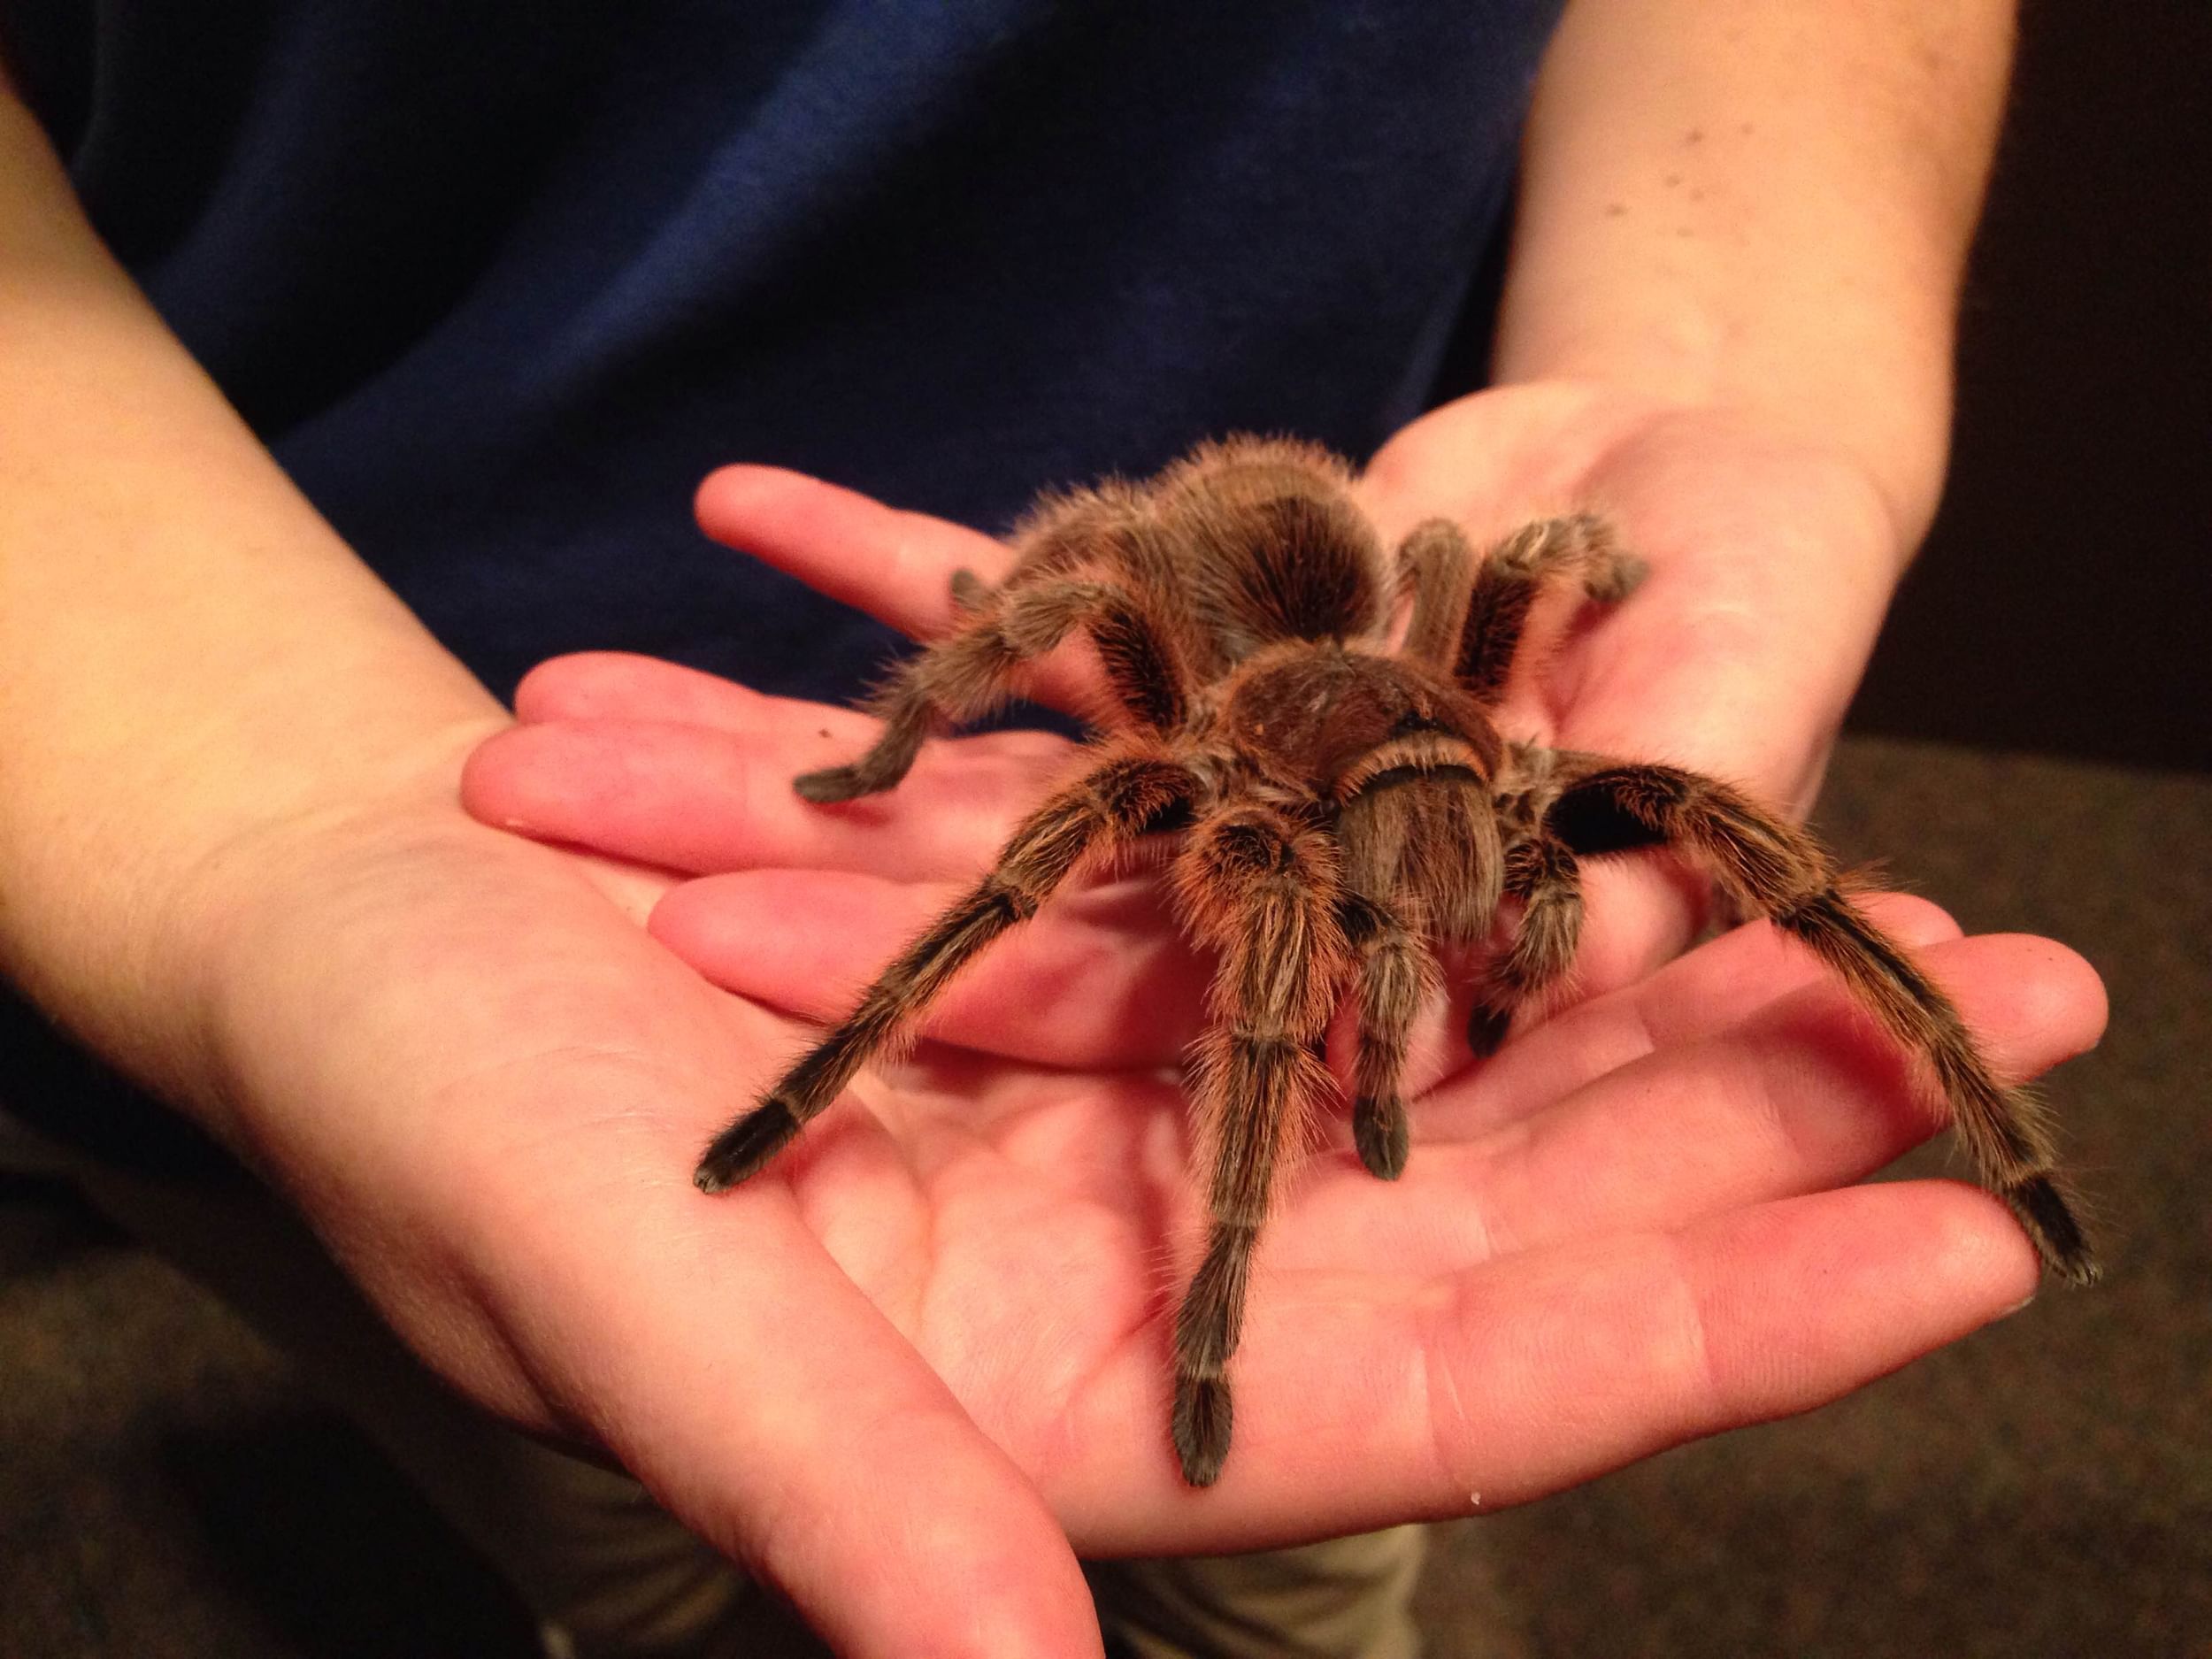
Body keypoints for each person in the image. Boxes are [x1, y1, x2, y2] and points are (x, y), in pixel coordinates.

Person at [0, 3, 2099, 1655]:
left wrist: (1729, 375)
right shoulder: (1183, 746)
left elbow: (1545, 555)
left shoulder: (1480, 701)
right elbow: (1077, 613)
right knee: (648, 1503)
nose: (1481, 894)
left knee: (1716, 872)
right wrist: (885, 766)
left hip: (1369, 653)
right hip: (255, 644)